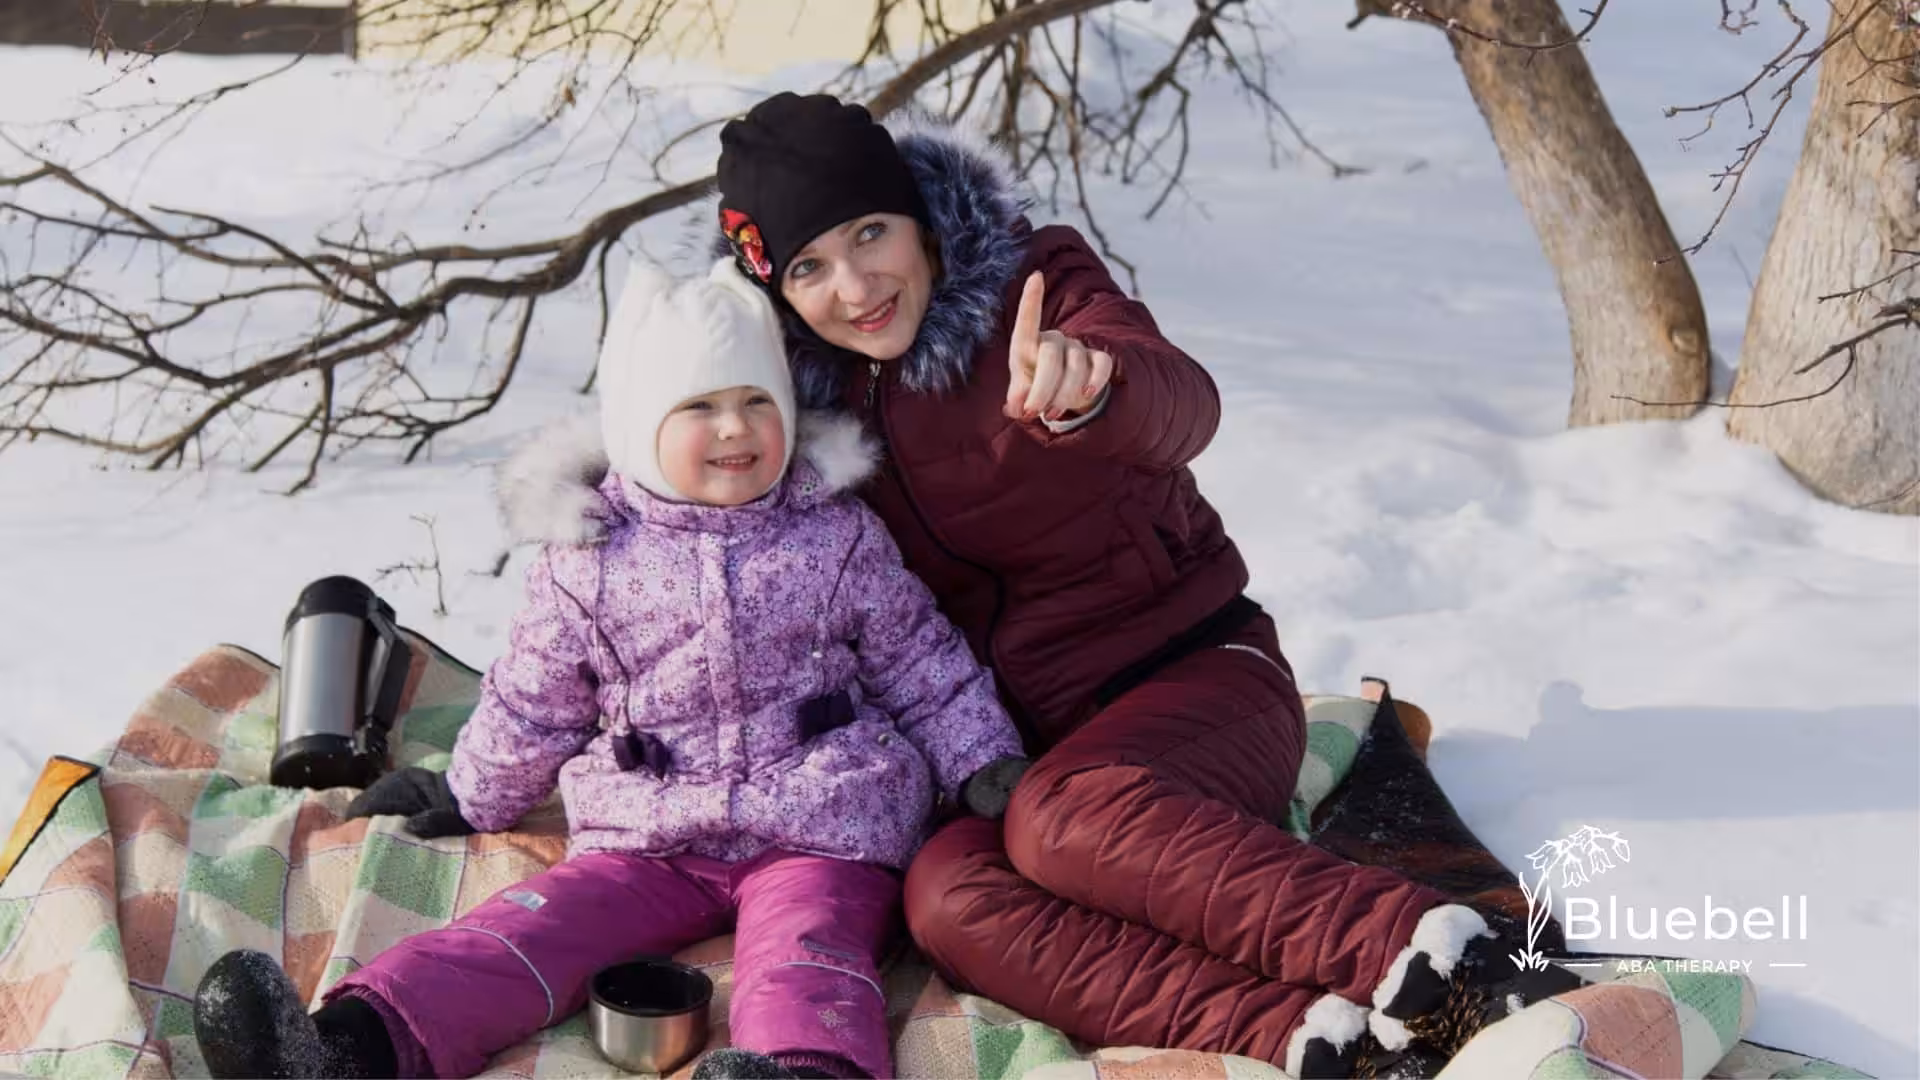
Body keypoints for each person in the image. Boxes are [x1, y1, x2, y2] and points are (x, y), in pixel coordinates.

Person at [513, 94, 1583, 1077]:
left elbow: (1184, 402)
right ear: (774, 292)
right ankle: (1311, 1041)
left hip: (1195, 682)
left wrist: (1097, 386)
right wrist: (592, 503)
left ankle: (1446, 958)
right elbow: (678, 464)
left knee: (1060, 819)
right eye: (809, 267)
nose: (855, 287)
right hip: (1004, 758)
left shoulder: (1036, 285)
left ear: (920, 219)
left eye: (871, 234)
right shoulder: (795, 406)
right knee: (944, 899)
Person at [189, 257, 1028, 1080]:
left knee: (806, 952)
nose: (735, 428)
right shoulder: (588, 559)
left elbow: (919, 658)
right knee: (532, 929)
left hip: (819, 822)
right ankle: (347, 1046)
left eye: (756, 402)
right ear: (637, 425)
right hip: (650, 830)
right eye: (700, 406)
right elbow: (533, 703)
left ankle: (803, 1072)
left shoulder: (834, 536)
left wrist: (982, 759)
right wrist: (472, 793)